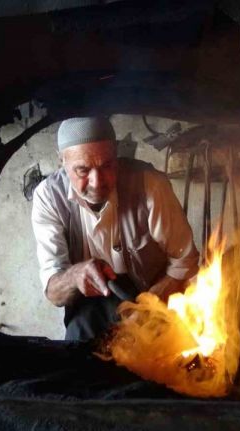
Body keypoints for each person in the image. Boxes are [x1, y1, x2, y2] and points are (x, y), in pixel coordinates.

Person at [31, 117, 199, 340]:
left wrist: (147, 307)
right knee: (80, 365)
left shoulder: (150, 184)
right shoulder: (49, 197)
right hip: (89, 309)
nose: (97, 181)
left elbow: (184, 262)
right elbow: (54, 293)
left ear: (117, 157)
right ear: (62, 161)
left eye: (107, 166)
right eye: (83, 170)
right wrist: (75, 276)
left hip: (153, 296)